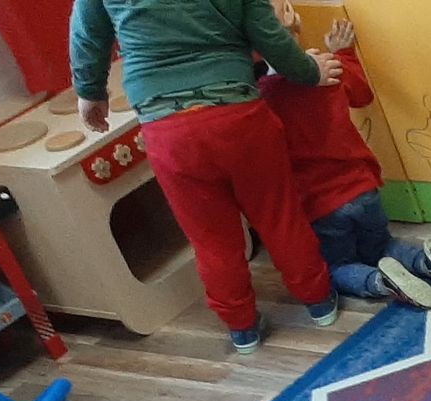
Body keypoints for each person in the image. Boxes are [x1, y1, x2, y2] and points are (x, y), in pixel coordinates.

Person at [69, 0, 340, 351]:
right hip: (239, 116)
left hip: (168, 130)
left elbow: (88, 33)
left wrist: (89, 92)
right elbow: (268, 34)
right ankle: (319, 301)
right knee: (280, 217)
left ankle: (242, 328)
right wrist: (310, 72)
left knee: (212, 240)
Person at [259, 6, 431, 308]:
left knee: (337, 266)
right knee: (382, 245)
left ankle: (380, 282)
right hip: (362, 188)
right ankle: (424, 260)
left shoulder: (261, 97)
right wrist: (343, 53)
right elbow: (361, 95)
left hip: (320, 204)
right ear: (296, 26)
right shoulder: (328, 67)